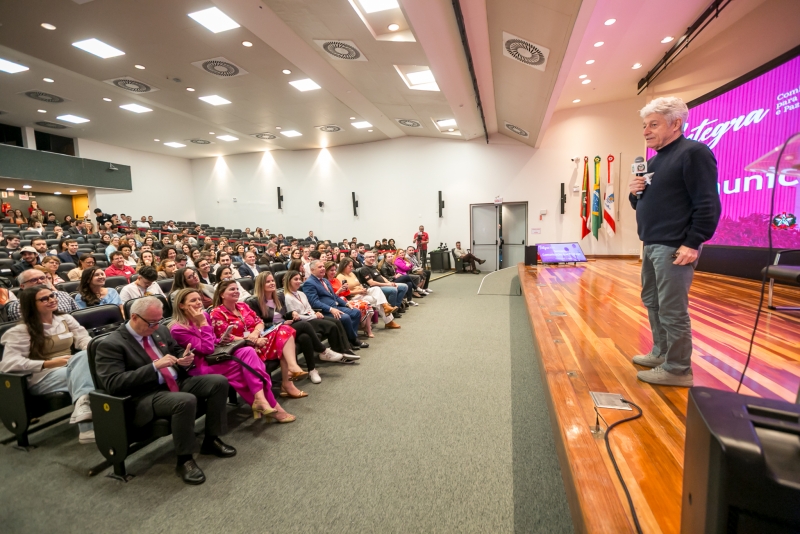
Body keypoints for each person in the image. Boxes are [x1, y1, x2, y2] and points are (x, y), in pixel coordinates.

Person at [628, 96, 721, 387]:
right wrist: (635, 192)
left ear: (676, 123)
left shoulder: (693, 153)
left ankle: (679, 369)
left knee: (671, 308)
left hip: (675, 246)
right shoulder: (654, 161)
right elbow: (644, 203)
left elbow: (707, 204)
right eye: (645, 125)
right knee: (652, 302)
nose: (646, 131)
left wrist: (693, 242)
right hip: (652, 243)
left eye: (653, 124)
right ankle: (661, 353)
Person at [94, 296, 236, 485]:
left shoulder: (159, 329)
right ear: (134, 317)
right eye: (151, 322)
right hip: (146, 394)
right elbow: (113, 383)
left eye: (159, 321)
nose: (156, 326)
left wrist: (184, 359)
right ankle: (184, 459)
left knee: (218, 382)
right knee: (184, 401)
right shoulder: (111, 344)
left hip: (175, 380)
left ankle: (211, 439)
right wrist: (153, 367)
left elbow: (176, 350)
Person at [170, 288, 295, 422]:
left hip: (216, 356)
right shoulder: (178, 329)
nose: (199, 303)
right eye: (193, 300)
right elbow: (206, 349)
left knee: (248, 351)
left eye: (199, 299)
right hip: (202, 365)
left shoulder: (203, 316)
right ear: (181, 306)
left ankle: (260, 399)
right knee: (246, 369)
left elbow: (212, 342)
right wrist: (203, 323)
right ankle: (272, 406)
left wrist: (222, 339)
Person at [0, 286, 95, 444]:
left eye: (52, 296)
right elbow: (8, 364)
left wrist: (90, 349)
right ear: (31, 304)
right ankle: (86, 428)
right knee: (88, 373)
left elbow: (83, 338)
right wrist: (48, 363)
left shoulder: (65, 319)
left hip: (70, 367)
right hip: (41, 376)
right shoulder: (21, 331)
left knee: (88, 358)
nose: (51, 300)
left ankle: (85, 410)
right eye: (44, 299)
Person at [210, 280, 309, 398]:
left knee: (285, 330)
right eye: (232, 289)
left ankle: (292, 369)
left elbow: (259, 322)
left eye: (237, 289)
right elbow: (225, 336)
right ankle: (287, 384)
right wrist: (253, 340)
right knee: (283, 343)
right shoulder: (216, 313)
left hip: (259, 338)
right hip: (243, 347)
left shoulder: (243, 306)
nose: (236, 291)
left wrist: (256, 333)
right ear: (222, 294)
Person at [247, 272, 346, 385]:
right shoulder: (255, 302)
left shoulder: (279, 297)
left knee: (305, 337)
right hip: (271, 332)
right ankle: (323, 350)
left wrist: (291, 314)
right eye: (268, 282)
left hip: (284, 328)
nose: (272, 283)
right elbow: (260, 323)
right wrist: (283, 322)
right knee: (304, 325)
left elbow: (283, 315)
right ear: (261, 284)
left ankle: (312, 370)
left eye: (272, 281)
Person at [302, 260, 368, 350]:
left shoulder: (325, 280)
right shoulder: (309, 283)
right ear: (312, 270)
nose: (323, 269)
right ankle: (353, 340)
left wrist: (346, 303)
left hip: (335, 306)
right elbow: (314, 302)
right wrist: (330, 309)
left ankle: (349, 339)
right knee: (345, 317)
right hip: (324, 311)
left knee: (355, 312)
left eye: (323, 266)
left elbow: (334, 296)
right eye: (319, 267)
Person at [337, 258, 399, 329]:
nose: (351, 268)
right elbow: (345, 292)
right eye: (349, 266)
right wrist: (359, 291)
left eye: (352, 266)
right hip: (354, 296)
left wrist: (362, 289)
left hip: (362, 292)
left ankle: (386, 307)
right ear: (344, 266)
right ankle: (389, 320)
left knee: (376, 288)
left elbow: (359, 283)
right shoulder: (340, 276)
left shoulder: (352, 273)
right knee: (377, 300)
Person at [325, 261, 374, 337]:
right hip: (338, 302)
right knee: (364, 304)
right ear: (326, 271)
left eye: (335, 270)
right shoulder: (325, 282)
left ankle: (367, 329)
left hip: (344, 300)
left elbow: (346, 293)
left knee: (367, 303)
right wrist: (339, 291)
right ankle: (363, 327)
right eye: (331, 270)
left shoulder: (336, 280)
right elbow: (331, 296)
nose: (334, 272)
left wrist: (346, 289)